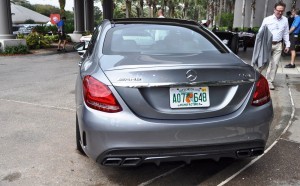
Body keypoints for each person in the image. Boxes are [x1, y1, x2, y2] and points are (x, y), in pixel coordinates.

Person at [259, 2, 290, 90]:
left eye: (282, 11)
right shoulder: (267, 19)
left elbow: (286, 33)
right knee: (263, 63)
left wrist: (287, 45)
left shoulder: (285, 20)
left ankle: (269, 82)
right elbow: (260, 32)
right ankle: (256, 78)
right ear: (274, 9)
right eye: (278, 11)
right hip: (267, 44)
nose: (280, 13)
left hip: (278, 45)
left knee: (275, 64)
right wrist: (259, 44)